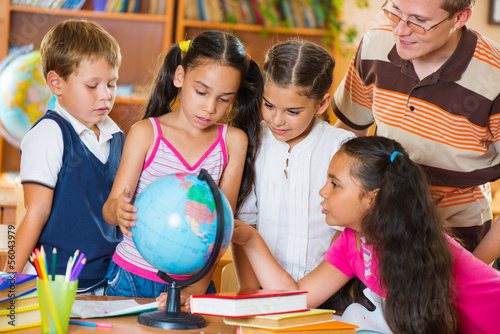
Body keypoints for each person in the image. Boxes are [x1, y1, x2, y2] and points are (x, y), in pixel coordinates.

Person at [233, 136, 500, 334]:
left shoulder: (415, 247)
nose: (323, 192)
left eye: (335, 184)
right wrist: (250, 239)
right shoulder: (352, 241)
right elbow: (296, 298)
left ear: (372, 199)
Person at [102, 31, 263, 304]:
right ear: (179, 77)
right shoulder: (146, 133)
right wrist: (118, 210)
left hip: (195, 286)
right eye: (201, 92)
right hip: (130, 278)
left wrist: (196, 289)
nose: (210, 107)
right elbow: (109, 210)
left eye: (225, 99)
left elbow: (220, 230)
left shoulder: (234, 142)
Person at [333, 0, 500, 259]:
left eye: (419, 21)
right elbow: (347, 135)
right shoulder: (374, 43)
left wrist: (474, 267)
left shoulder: (495, 77)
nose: (400, 30)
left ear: (459, 18)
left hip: (456, 239)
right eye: (396, 11)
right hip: (376, 229)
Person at [234, 40, 354, 308]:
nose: (277, 120)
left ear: (322, 104)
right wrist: (249, 290)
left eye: (292, 111)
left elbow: (344, 231)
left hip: (329, 294)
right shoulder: (251, 141)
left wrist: (313, 290)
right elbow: (244, 225)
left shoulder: (340, 147)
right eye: (269, 105)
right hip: (264, 292)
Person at [13, 19, 124, 294]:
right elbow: (35, 213)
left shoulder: (117, 134)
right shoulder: (50, 134)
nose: (106, 96)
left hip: (108, 280)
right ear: (56, 83)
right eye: (92, 85)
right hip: (55, 283)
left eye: (112, 83)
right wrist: (8, 280)